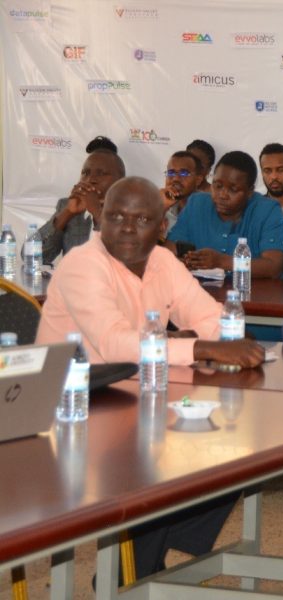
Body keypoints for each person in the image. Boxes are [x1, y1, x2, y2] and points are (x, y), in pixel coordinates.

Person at [36, 177, 263, 579]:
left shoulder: (162, 261)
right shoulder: (82, 264)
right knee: (159, 456)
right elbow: (115, 343)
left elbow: (208, 317)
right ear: (101, 218)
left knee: (238, 448)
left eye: (141, 219)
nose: (126, 227)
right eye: (115, 216)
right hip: (74, 410)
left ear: (161, 227)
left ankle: (140, 564)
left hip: (139, 398)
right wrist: (199, 347)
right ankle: (133, 572)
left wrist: (219, 338)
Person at [166, 151, 283, 278]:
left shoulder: (268, 211)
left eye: (233, 190)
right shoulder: (196, 204)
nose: (222, 195)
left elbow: (273, 266)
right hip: (198, 287)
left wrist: (222, 261)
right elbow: (169, 252)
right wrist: (184, 262)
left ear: (250, 192)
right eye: (217, 186)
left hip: (252, 289)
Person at [38, 148, 125, 263]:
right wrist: (68, 213)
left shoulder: (132, 211)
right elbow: (34, 257)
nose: (90, 179)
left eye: (101, 173)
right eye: (85, 173)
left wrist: (97, 212)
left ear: (121, 180)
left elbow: (125, 259)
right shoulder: (68, 205)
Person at [160, 150, 204, 233]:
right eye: (171, 173)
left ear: (198, 180)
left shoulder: (209, 208)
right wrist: (162, 208)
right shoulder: (160, 203)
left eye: (184, 173)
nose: (175, 179)